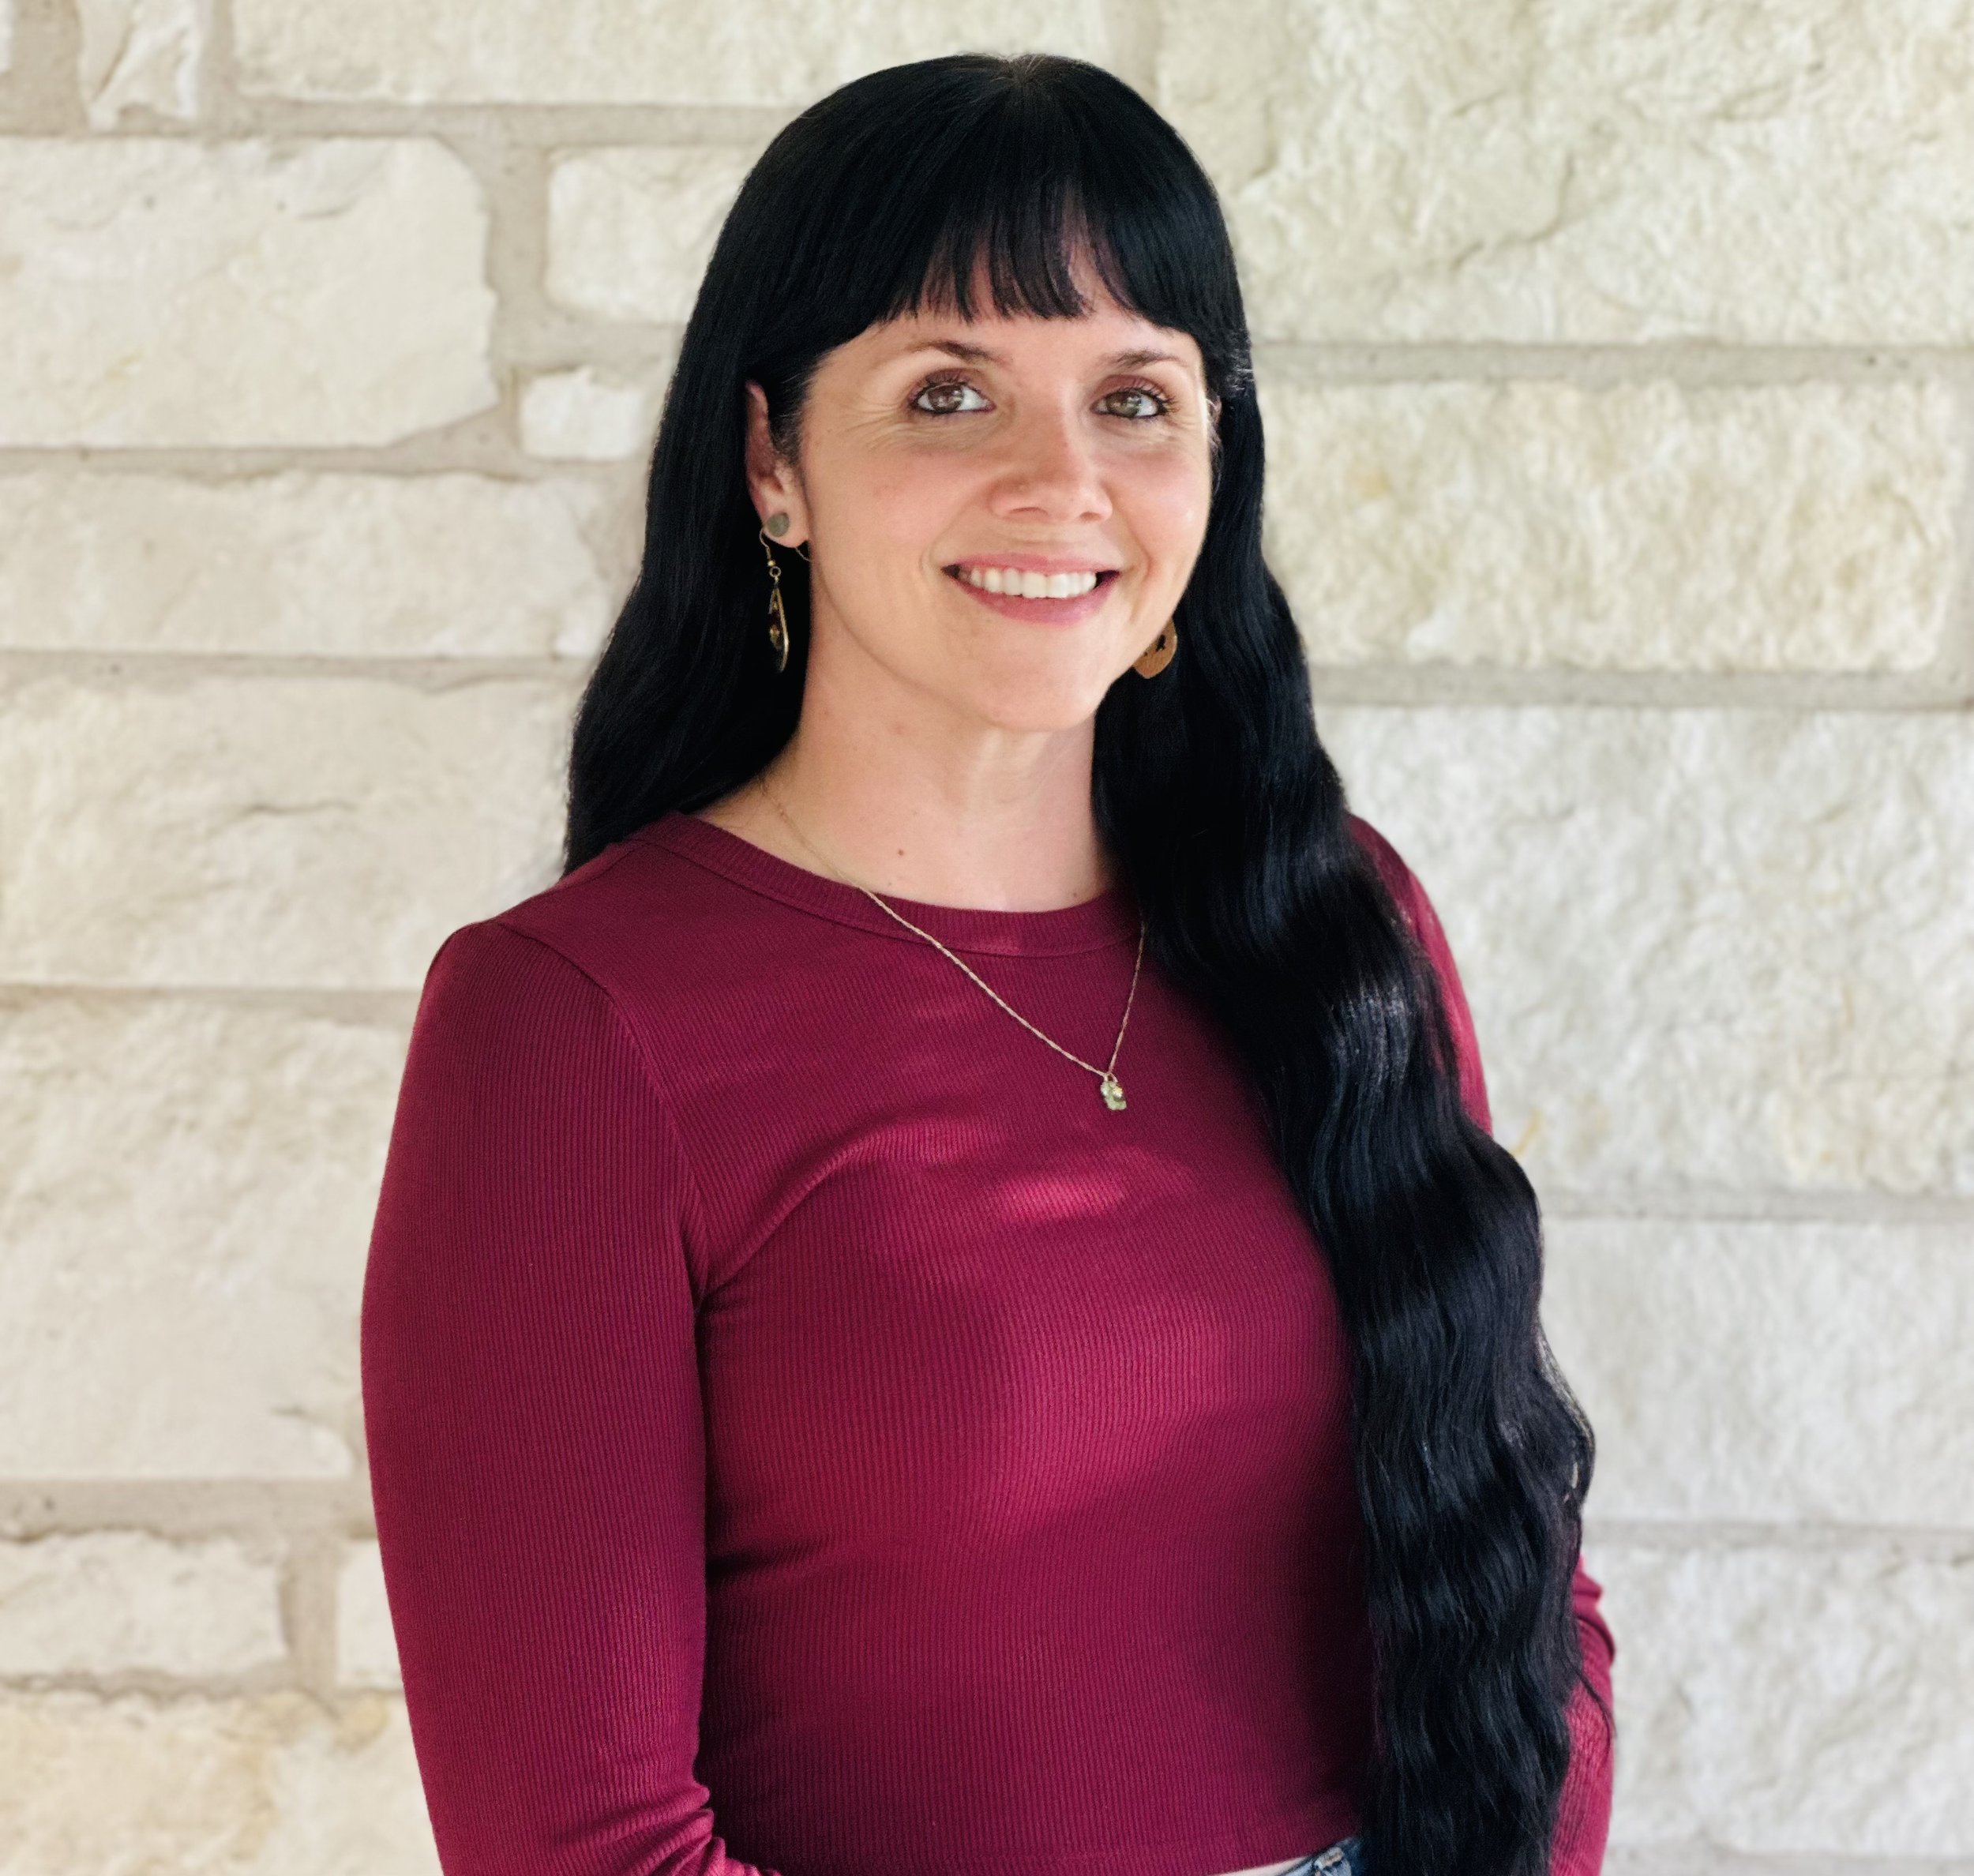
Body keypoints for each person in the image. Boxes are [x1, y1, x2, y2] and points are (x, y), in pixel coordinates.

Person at [361, 51, 1616, 1876]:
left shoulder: (1337, 925)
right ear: (772, 461)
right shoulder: (573, 1025)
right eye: (948, 393)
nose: (1061, 482)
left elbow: (1521, 1589)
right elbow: (585, 1849)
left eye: (1134, 398)